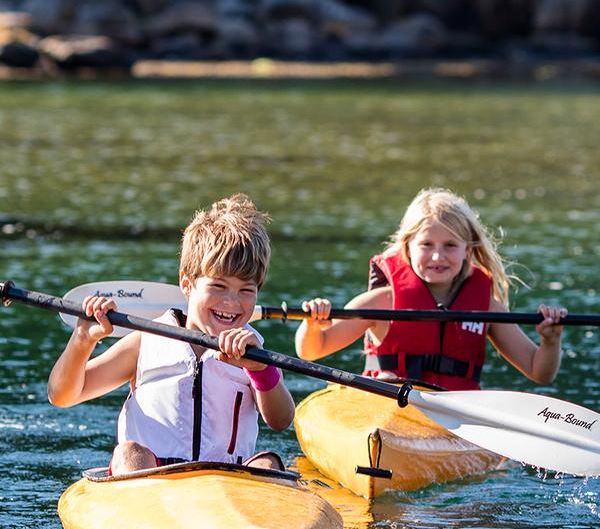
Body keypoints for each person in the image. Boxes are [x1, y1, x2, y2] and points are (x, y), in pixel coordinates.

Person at [48, 194, 295, 475]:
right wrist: (83, 340)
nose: (231, 302)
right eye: (218, 286)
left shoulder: (252, 349)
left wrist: (261, 369)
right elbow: (63, 395)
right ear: (187, 285)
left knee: (269, 464)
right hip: (153, 484)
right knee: (129, 453)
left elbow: (280, 420)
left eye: (246, 290)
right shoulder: (146, 341)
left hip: (227, 486)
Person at [295, 187, 567, 390]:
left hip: (454, 419)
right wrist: (313, 326)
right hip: (388, 407)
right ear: (408, 246)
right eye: (426, 245)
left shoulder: (485, 307)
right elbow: (312, 351)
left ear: (467, 249)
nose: (438, 257)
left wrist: (550, 341)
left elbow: (538, 370)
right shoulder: (382, 302)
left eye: (450, 245)